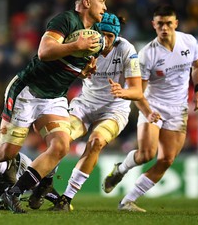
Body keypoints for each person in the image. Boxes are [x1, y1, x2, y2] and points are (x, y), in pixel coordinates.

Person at [0, 0, 107, 213]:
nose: (104, 6)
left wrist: (83, 71)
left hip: (53, 98)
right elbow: (44, 52)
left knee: (61, 146)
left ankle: (12, 194)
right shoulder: (65, 20)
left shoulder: (92, 36)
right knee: (7, 152)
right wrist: (76, 45)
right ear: (86, 3)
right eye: (101, 1)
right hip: (27, 91)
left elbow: (68, 64)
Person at [102, 4, 198, 212]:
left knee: (166, 159)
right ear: (153, 25)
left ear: (176, 23)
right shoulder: (147, 54)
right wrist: (148, 112)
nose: (165, 28)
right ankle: (121, 169)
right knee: (147, 154)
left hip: (178, 109)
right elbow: (138, 92)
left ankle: (127, 201)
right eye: (160, 24)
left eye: (169, 23)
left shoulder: (189, 42)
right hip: (153, 106)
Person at [44, 12, 142, 211]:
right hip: (85, 105)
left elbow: (138, 91)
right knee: (61, 138)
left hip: (114, 109)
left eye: (110, 36)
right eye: (102, 34)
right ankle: (45, 184)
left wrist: (122, 91)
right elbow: (63, 70)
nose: (105, 41)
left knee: (96, 142)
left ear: (116, 37)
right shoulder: (85, 43)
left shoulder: (126, 49)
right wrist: (81, 72)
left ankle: (66, 199)